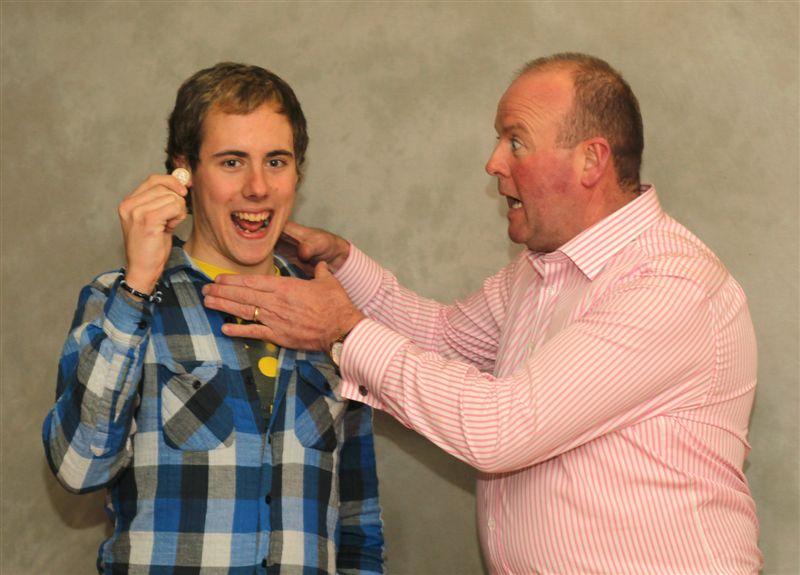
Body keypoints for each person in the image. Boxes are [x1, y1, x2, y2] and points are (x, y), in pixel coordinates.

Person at [202, 53, 763, 574]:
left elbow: (501, 430)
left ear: (591, 160)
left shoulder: (669, 284)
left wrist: (343, 331)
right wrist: (344, 265)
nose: (493, 163)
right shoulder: (539, 271)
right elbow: (442, 338)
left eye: (515, 141)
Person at [43, 62, 384, 575]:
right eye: (231, 162)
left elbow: (358, 527)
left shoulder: (329, 312)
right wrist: (138, 285)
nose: (258, 187)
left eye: (276, 161)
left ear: (298, 171)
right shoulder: (121, 302)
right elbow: (79, 466)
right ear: (184, 172)